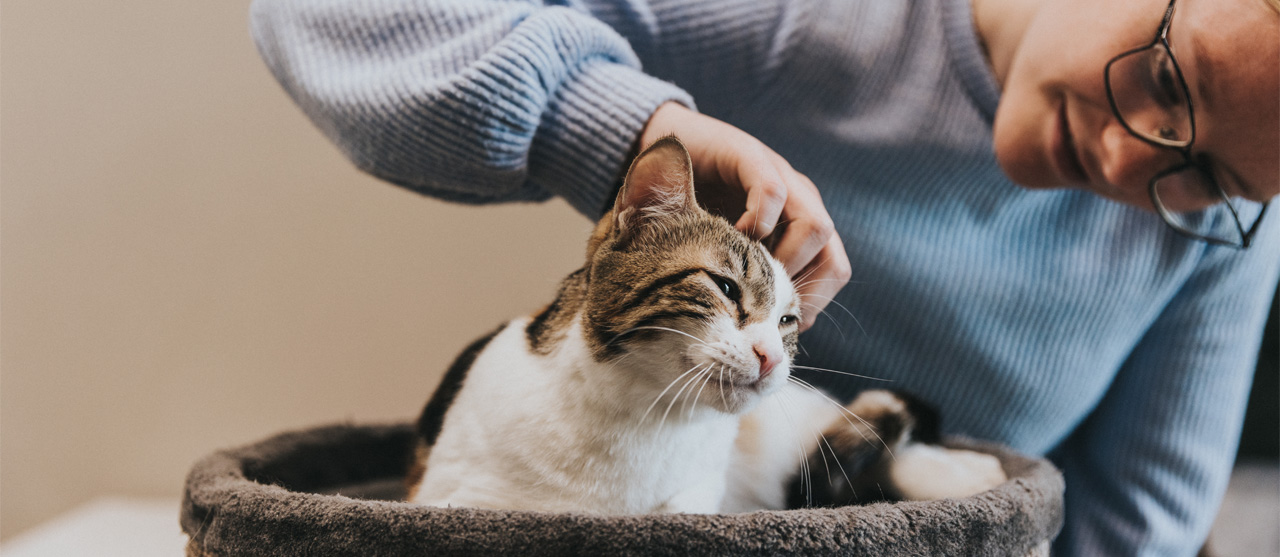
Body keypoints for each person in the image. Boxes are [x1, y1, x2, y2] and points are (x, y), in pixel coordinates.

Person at [248, 0, 1279, 554]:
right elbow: (325, 15)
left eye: (1208, 174)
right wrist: (622, 131)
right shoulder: (807, 20)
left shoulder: (1221, 237)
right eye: (1163, 79)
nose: (1126, 162)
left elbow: (1124, 533)